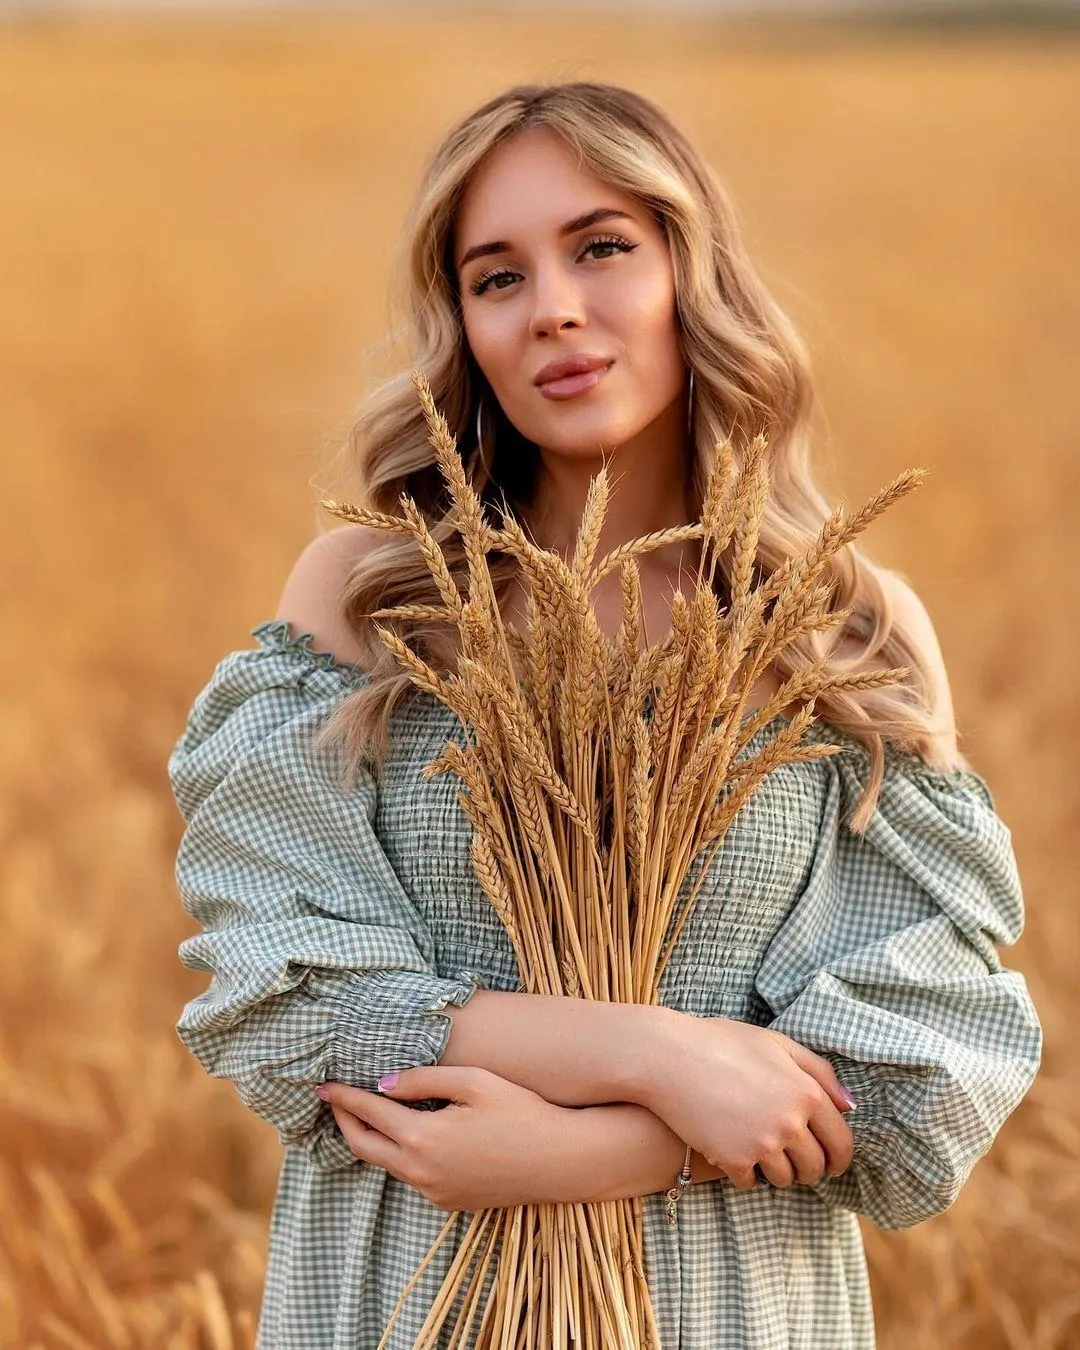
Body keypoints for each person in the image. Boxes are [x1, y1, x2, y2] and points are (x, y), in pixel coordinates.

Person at [168, 82, 1042, 1349]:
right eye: (497, 276)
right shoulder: (372, 604)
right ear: (463, 326)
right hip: (415, 1293)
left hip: (726, 1304)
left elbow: (919, 1079)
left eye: (602, 247)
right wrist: (669, 1065)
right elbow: (290, 1003)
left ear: (693, 270)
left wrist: (581, 1155)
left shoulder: (847, 630)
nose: (555, 308)